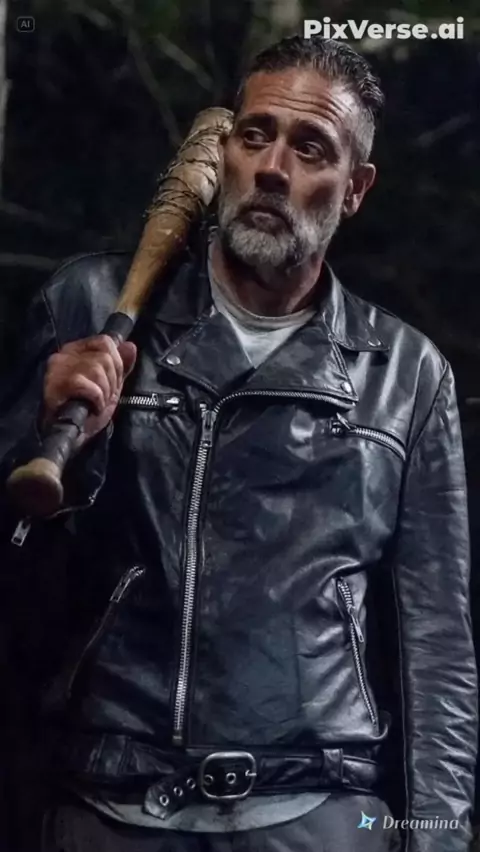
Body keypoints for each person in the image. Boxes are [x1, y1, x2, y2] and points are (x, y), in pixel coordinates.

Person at [0, 34, 477, 852]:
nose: (272, 168)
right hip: (110, 805)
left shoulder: (405, 375)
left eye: (310, 147)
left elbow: (438, 648)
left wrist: (437, 836)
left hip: (320, 813)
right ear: (221, 152)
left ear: (355, 189)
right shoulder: (90, 309)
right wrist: (33, 438)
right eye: (255, 135)